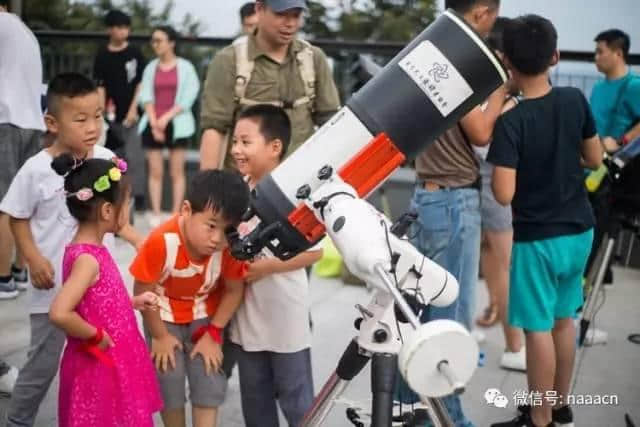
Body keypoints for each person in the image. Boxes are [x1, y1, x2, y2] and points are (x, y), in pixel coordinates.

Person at [0, 72, 143, 427]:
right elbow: (15, 216)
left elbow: (118, 218)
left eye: (97, 115)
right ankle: (18, 421)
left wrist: (140, 241)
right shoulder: (36, 169)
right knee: (42, 365)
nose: (92, 126)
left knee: (99, 360)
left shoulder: (107, 159)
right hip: (53, 291)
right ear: (51, 122)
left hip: (97, 291)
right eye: (80, 119)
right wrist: (32, 258)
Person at [488, 15, 602, 427]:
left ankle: (540, 420)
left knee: (537, 329)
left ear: (507, 62)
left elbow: (503, 193)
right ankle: (559, 405)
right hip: (580, 231)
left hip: (538, 241)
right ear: (554, 55)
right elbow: (594, 158)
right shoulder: (575, 99)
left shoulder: (511, 121)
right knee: (563, 320)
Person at [402, 0, 505, 425]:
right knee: (450, 323)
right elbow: (479, 130)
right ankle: (448, 419)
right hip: (452, 199)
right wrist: (501, 85)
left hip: (426, 194)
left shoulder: (424, 48)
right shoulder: (458, 55)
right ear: (482, 11)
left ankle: (417, 411)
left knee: (422, 317)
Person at [48, 154, 163, 427]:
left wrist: (131, 302)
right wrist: (95, 334)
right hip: (99, 364)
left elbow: (94, 302)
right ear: (107, 211)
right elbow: (60, 313)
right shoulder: (88, 259)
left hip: (114, 358)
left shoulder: (94, 251)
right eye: (127, 204)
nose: (128, 211)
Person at [130, 169, 250, 427]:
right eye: (211, 225)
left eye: (227, 229)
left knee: (208, 375)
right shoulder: (161, 240)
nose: (217, 238)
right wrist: (160, 336)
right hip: (161, 317)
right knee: (168, 378)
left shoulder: (227, 247)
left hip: (204, 318)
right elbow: (142, 293)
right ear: (186, 209)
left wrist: (214, 333)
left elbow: (234, 290)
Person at [228, 104, 321, 427]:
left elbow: (316, 252)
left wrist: (268, 268)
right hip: (247, 318)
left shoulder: (295, 192)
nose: (236, 150)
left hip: (285, 317)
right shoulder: (238, 190)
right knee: (255, 403)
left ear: (275, 147)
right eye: (235, 142)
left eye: (245, 142)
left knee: (297, 402)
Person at [199, 0, 340, 170]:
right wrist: (207, 189)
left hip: (300, 181)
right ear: (259, 9)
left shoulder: (313, 58)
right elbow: (214, 128)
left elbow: (331, 122)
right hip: (244, 184)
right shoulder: (229, 60)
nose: (290, 23)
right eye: (281, 14)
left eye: (296, 15)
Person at [474, 16, 525, 372]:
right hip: (493, 176)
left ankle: (483, 318)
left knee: (490, 255)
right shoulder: (501, 88)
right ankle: (515, 345)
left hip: (471, 175)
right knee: (505, 264)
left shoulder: (475, 78)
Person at [584, 29, 640, 291]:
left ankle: (583, 303)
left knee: (597, 237)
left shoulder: (633, 85)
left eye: (600, 51)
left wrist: (621, 141)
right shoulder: (598, 87)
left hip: (611, 177)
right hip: (588, 172)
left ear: (618, 53)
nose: (596, 57)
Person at [0, 0, 46, 300]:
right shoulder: (25, 31)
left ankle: (2, 278)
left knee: (4, 202)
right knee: (23, 202)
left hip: (6, 121)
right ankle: (18, 270)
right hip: (32, 121)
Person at [138, 25, 200, 227]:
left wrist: (166, 119)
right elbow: (145, 95)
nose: (155, 44)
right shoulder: (150, 67)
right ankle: (155, 213)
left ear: (171, 43)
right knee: (155, 171)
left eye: (159, 40)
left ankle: (175, 213)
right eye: (153, 41)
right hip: (152, 122)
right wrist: (155, 121)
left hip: (177, 123)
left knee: (177, 171)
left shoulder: (186, 67)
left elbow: (189, 96)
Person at [93, 9, 146, 205]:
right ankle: (109, 194)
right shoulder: (102, 54)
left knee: (134, 155)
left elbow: (140, 83)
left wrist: (133, 109)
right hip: (109, 114)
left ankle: (137, 197)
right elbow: (100, 85)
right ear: (110, 29)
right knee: (109, 156)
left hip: (131, 113)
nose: (122, 31)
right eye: (118, 27)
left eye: (125, 27)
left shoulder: (134, 53)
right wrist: (100, 112)